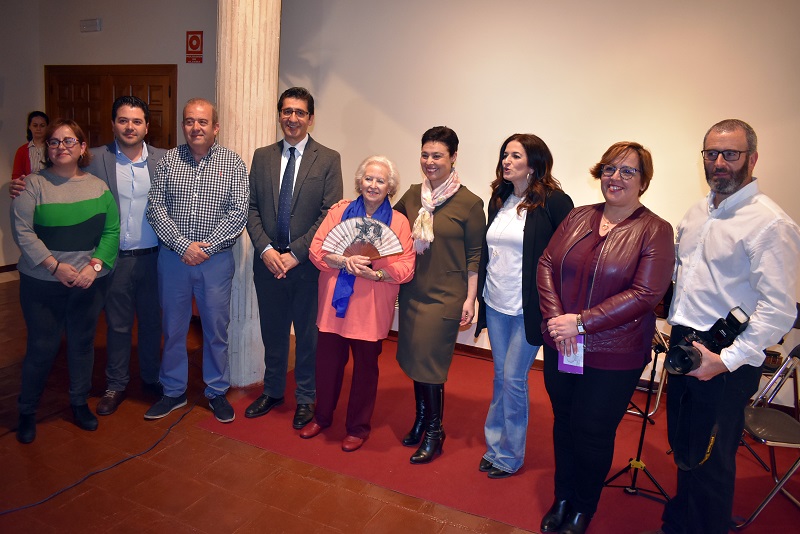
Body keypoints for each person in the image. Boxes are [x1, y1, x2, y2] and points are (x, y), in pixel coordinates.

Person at [657, 119, 800, 534]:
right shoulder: (698, 211)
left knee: (711, 459)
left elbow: (778, 311)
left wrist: (725, 360)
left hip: (726, 355)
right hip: (686, 342)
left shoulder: (771, 224)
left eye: (730, 154)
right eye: (711, 154)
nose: (719, 162)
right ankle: (681, 523)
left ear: (752, 159)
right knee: (684, 445)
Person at [536, 141, 674, 534]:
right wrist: (556, 320)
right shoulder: (579, 216)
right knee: (564, 422)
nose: (616, 178)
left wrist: (579, 323)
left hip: (615, 353)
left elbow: (646, 295)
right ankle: (563, 496)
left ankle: (583, 507)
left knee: (593, 431)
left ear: (643, 181)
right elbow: (547, 263)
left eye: (628, 171)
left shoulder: (655, 230)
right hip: (564, 343)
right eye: (610, 169)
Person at [7, 97, 166, 415]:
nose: (130, 126)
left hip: (156, 257)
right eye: (123, 120)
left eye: (136, 121)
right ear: (113, 124)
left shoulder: (165, 160)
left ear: (147, 126)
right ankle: (116, 384)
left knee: (152, 322)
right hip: (112, 257)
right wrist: (19, 185)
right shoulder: (95, 159)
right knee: (118, 326)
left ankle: (151, 379)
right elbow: (59, 174)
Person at [11, 119, 120, 443]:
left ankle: (78, 403)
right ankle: (27, 410)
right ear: (48, 147)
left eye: (69, 141)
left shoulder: (98, 187)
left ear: (82, 147)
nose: (61, 147)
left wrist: (95, 267)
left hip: (87, 284)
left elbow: (111, 231)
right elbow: (23, 231)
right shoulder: (31, 185)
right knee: (41, 348)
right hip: (41, 284)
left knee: (82, 345)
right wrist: (54, 266)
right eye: (56, 141)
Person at [474, 134, 573, 479]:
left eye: (515, 156)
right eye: (504, 155)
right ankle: (495, 446)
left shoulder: (555, 202)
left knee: (514, 379)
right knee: (501, 377)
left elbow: (567, 258)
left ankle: (509, 455)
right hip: (497, 302)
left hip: (529, 309)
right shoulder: (499, 198)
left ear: (533, 164)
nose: (506, 161)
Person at [144, 98, 249, 423]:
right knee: (173, 328)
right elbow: (155, 207)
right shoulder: (168, 161)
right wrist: (181, 245)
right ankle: (173, 391)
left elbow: (238, 211)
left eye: (202, 122)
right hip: (173, 259)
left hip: (215, 262)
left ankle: (216, 391)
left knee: (216, 330)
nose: (195, 127)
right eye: (189, 121)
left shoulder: (232, 163)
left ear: (215, 127)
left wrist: (207, 246)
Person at [246, 87, 343, 429]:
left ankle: (305, 397)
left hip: (307, 267)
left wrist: (296, 254)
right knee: (272, 332)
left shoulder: (328, 159)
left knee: (307, 336)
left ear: (311, 118)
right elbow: (252, 208)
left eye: (300, 112)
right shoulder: (262, 156)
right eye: (287, 111)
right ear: (279, 115)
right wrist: (267, 250)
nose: (293, 118)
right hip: (267, 262)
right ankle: (272, 391)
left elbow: (328, 215)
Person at [302, 155, 415, 451]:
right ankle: (322, 416)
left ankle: (358, 427)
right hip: (333, 306)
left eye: (380, 180)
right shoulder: (340, 212)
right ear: (359, 182)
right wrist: (343, 260)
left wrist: (377, 274)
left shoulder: (400, 223)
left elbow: (406, 267)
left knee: (366, 370)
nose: (373, 185)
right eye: (368, 179)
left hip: (371, 307)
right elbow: (317, 249)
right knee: (327, 365)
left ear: (390, 186)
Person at [394, 126, 485, 464]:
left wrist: (470, 298)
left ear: (453, 158)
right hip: (414, 291)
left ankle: (435, 431)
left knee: (431, 365)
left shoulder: (470, 203)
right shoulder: (412, 195)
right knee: (416, 359)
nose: (430, 161)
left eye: (438, 156)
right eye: (425, 154)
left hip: (447, 295)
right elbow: (393, 233)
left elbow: (475, 256)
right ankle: (421, 420)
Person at [11, 111, 49, 180]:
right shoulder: (22, 151)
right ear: (29, 127)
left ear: (47, 127)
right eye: (35, 125)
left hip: (51, 188)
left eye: (42, 125)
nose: (38, 129)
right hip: (29, 188)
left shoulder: (53, 148)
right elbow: (16, 176)